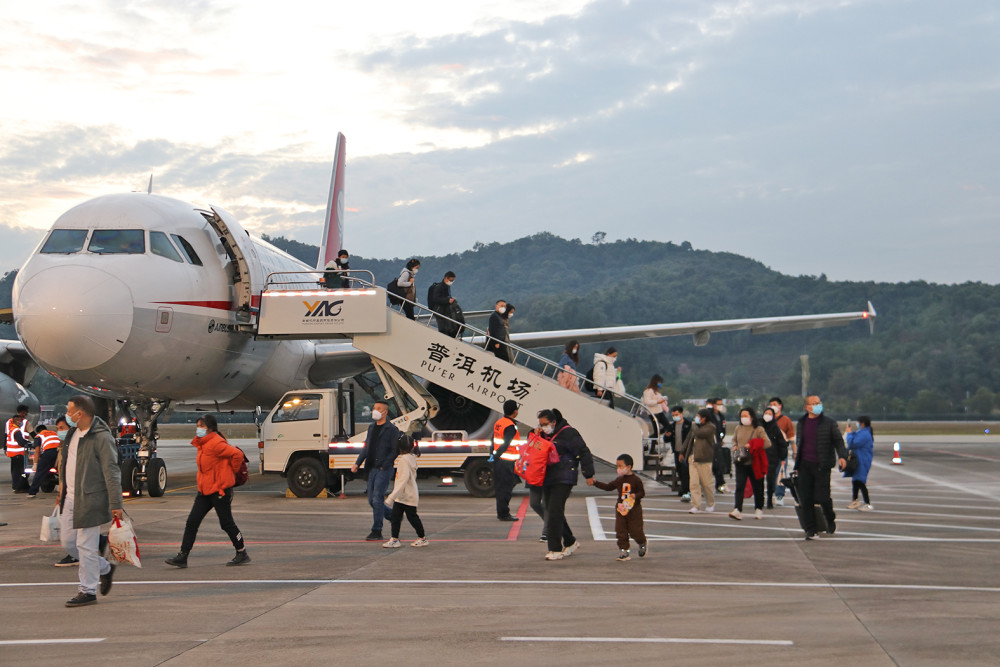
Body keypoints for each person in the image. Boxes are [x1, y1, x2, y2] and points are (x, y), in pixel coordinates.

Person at [57, 395, 123, 608]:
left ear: (80, 413)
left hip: (90, 498)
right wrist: (62, 489)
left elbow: (111, 472)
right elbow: (66, 463)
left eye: (69, 411)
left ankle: (87, 590)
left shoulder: (101, 438)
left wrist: (116, 504)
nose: (67, 415)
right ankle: (105, 568)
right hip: (70, 498)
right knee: (68, 543)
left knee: (85, 547)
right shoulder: (72, 433)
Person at [165, 415, 250, 568]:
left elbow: (237, 454)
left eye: (202, 426)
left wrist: (231, 472)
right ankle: (183, 556)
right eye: (198, 425)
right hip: (205, 490)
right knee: (192, 521)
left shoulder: (216, 442)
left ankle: (241, 551)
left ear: (210, 428)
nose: (199, 429)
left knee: (226, 523)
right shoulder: (202, 444)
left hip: (219, 491)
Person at [539, 408, 594, 560]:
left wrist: (588, 474)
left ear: (554, 422)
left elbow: (584, 452)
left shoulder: (569, 433)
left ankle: (554, 549)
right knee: (550, 509)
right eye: (541, 424)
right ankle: (570, 542)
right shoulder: (543, 434)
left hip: (564, 476)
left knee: (554, 510)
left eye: (546, 424)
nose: (544, 427)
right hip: (548, 476)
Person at [796, 395, 848, 540]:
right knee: (806, 499)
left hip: (822, 465)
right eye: (814, 403)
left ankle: (830, 519)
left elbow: (838, 441)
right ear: (807, 407)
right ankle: (810, 529)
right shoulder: (801, 423)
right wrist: (797, 465)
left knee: (822, 497)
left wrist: (842, 456)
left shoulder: (829, 423)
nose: (818, 405)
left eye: (819, 403)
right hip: (805, 465)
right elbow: (800, 444)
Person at [351, 401, 401, 541]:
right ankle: (393, 516)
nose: (375, 411)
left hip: (383, 469)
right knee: (372, 501)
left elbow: (395, 450)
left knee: (377, 498)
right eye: (374, 408)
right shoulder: (372, 427)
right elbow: (366, 447)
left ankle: (376, 530)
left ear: (385, 412)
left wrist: (385, 464)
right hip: (371, 468)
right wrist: (357, 463)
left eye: (378, 408)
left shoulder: (391, 429)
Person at [589, 454, 647, 561]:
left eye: (621, 466)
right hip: (621, 509)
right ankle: (624, 550)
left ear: (628, 467)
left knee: (636, 531)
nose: (618, 469)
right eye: (617, 466)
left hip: (634, 510)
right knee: (620, 531)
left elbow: (642, 493)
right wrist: (596, 483)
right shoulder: (619, 480)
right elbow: (608, 487)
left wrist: (635, 495)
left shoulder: (636, 480)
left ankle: (642, 542)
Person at [383, 435, 429, 548]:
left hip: (406, 495)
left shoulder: (404, 460)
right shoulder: (411, 457)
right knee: (396, 516)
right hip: (405, 495)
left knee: (412, 517)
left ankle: (422, 538)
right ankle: (394, 539)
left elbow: (402, 480)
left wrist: (391, 497)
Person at [728, 407, 770, 521]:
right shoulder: (738, 428)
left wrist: (752, 444)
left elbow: (767, 443)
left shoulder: (758, 429)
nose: (744, 418)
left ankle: (758, 508)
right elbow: (734, 440)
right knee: (740, 486)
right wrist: (735, 446)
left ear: (752, 416)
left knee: (758, 487)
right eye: (742, 416)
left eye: (746, 415)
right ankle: (737, 509)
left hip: (754, 462)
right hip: (741, 461)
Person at [679, 408, 716, 514]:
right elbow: (688, 439)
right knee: (694, 483)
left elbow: (700, 433)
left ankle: (710, 503)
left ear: (704, 418)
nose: (697, 419)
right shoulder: (694, 427)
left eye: (699, 417)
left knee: (706, 484)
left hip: (704, 459)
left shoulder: (710, 427)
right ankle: (696, 505)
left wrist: (694, 425)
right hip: (692, 458)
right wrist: (682, 451)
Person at [491, 400, 520, 521]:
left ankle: (501, 512)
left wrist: (493, 456)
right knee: (506, 488)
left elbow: (493, 440)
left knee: (501, 487)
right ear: (514, 412)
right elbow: (506, 444)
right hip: (506, 462)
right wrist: (497, 455)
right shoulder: (510, 426)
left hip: (500, 461)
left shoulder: (499, 422)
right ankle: (503, 513)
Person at [767, 397, 796, 506]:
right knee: (770, 474)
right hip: (769, 452)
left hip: (781, 451)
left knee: (781, 473)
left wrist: (794, 451)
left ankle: (779, 495)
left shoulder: (786, 420)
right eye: (770, 404)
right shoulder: (767, 419)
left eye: (774, 404)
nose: (772, 406)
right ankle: (770, 493)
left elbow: (791, 437)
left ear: (780, 406)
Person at [27, 416, 66, 498]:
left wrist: (35, 464)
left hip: (49, 453)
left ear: (38, 432)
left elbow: (37, 450)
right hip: (60, 452)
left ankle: (32, 492)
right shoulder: (55, 433)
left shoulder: (39, 436)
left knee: (40, 473)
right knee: (64, 472)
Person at [845, 416, 875, 511]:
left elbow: (852, 444)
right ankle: (855, 500)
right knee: (855, 480)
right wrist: (851, 432)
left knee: (860, 481)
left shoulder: (865, 434)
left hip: (863, 460)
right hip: (859, 459)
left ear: (862, 423)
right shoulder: (863, 432)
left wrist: (849, 434)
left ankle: (867, 503)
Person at [761, 407, 788, 509]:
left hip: (772, 457)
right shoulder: (759, 427)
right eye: (766, 413)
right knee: (758, 479)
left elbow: (782, 444)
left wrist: (783, 458)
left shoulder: (776, 428)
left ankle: (769, 500)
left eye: (770, 414)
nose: (767, 415)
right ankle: (760, 499)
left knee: (770, 479)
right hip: (759, 456)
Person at [664, 405, 692, 499]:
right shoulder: (672, 426)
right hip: (676, 451)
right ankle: (684, 488)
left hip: (686, 452)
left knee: (686, 471)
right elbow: (666, 439)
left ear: (681, 413)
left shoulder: (688, 424)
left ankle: (686, 490)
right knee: (680, 471)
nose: (675, 416)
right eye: (673, 415)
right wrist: (667, 436)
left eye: (676, 414)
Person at [5, 404, 32, 492]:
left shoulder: (9, 422)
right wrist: (32, 444)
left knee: (15, 472)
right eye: (25, 412)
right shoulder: (23, 424)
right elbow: (30, 435)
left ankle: (19, 486)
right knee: (25, 472)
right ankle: (20, 486)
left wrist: (5, 448)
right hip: (21, 452)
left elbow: (6, 435)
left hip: (12, 452)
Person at [706, 398, 728, 493]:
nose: (720, 406)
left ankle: (720, 486)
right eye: (718, 404)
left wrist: (721, 438)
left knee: (719, 465)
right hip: (709, 443)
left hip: (718, 443)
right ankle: (709, 486)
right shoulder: (709, 414)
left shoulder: (721, 416)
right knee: (712, 465)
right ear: (713, 405)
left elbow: (723, 429)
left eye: (721, 404)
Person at [428, 271, 460, 337]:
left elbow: (445, 297)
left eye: (453, 280)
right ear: (446, 278)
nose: (451, 282)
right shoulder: (439, 287)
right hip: (438, 310)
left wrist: (450, 299)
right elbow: (436, 298)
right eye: (450, 280)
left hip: (445, 310)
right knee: (442, 328)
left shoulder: (447, 286)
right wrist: (448, 300)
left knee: (448, 327)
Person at [642, 375, 670, 448]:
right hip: (653, 413)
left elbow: (659, 399)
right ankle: (652, 446)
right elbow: (647, 402)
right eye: (659, 382)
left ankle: (652, 437)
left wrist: (663, 399)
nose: (660, 384)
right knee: (656, 430)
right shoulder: (648, 391)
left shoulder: (656, 391)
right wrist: (657, 401)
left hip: (659, 412)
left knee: (668, 426)